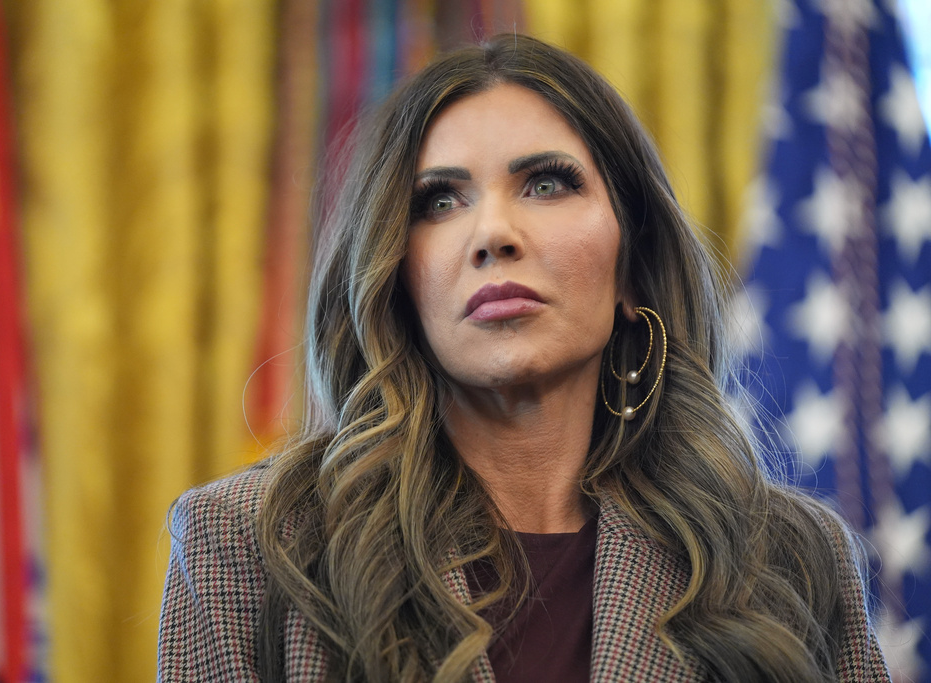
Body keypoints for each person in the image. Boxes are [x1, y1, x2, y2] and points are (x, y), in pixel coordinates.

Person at [157, 34, 891, 682]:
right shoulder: (251, 543)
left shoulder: (792, 560)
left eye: (546, 183)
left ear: (632, 269)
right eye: (439, 201)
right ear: (397, 277)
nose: (493, 232)